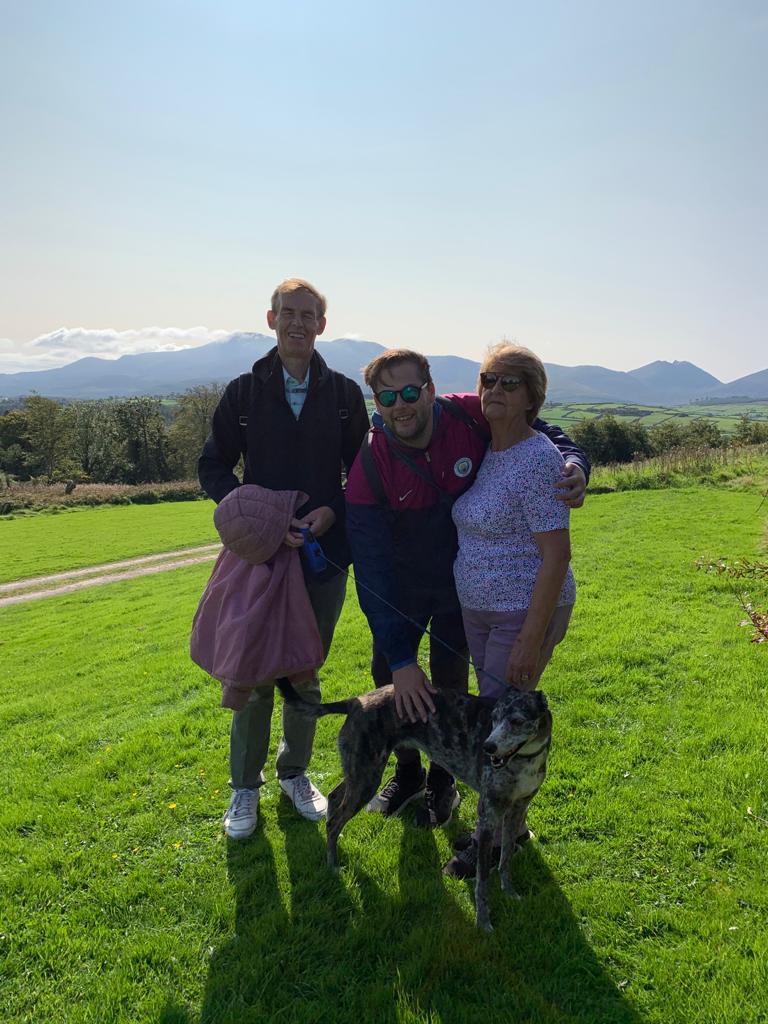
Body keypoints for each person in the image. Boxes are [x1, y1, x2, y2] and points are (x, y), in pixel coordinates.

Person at [345, 348, 589, 831]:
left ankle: (447, 787)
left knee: (454, 687)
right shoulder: (368, 466)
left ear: (431, 391)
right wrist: (400, 660)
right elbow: (370, 570)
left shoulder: (470, 410)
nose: (403, 404)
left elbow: (543, 434)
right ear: (377, 402)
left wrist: (576, 463)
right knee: (391, 678)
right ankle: (408, 776)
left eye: (412, 391)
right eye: (389, 396)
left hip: (466, 591)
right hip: (409, 586)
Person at [198, 278, 369, 839]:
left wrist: (330, 513)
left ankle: (294, 773)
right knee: (251, 670)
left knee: (304, 667)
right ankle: (244, 790)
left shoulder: (344, 395)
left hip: (322, 557)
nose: (298, 323)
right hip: (259, 558)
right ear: (270, 320)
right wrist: (256, 514)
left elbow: (362, 477)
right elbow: (214, 468)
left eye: (308, 315)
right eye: (287, 313)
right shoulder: (244, 393)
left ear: (322, 324)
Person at [442, 342, 576, 877]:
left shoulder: (538, 458)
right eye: (488, 380)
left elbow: (557, 554)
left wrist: (529, 637)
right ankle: (512, 829)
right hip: (482, 611)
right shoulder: (486, 448)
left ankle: (490, 843)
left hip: (522, 612)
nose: (494, 390)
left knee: (494, 733)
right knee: (497, 722)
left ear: (531, 397)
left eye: (508, 383)